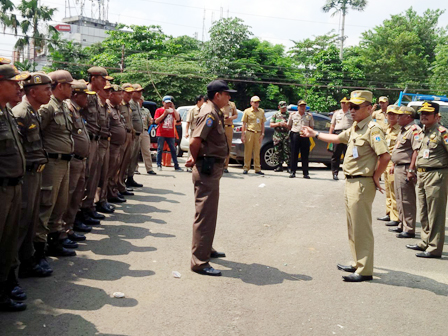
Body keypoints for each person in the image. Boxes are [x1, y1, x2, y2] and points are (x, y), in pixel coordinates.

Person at [302, 90, 390, 282]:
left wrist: (376, 176)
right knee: (352, 226)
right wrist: (314, 133)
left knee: (361, 228)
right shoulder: (357, 127)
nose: (351, 110)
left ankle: (365, 269)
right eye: (350, 106)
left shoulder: (373, 129)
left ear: (369, 108)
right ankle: (357, 262)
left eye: (356, 107)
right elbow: (337, 138)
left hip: (362, 182)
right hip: (351, 181)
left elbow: (385, 156)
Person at [185, 79, 236, 276]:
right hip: (206, 168)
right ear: (217, 95)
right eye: (226, 94)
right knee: (205, 215)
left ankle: (206, 248)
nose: (229, 97)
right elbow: (195, 140)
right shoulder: (208, 112)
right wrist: (194, 157)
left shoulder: (214, 110)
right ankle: (199, 262)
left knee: (209, 212)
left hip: (212, 168)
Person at [12, 73, 52, 281]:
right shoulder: (21, 113)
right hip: (25, 175)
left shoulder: (33, 112)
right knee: (21, 224)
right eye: (46, 89)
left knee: (30, 222)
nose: (50, 93)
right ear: (33, 92)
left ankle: (26, 264)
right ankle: (13, 272)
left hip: (35, 174)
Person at [37, 70, 76, 261]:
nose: (71, 89)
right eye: (69, 85)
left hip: (64, 162)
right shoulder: (48, 108)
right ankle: (37, 252)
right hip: (51, 162)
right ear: (60, 85)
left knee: (59, 205)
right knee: (46, 206)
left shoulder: (62, 106)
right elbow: (36, 135)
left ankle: (54, 242)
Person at [0, 64, 29, 312]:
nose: (19, 87)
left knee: (8, 245)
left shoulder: (6, 112)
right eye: (14, 82)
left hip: (13, 186)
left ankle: (4, 290)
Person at [406, 102, 448, 258]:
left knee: (435, 213)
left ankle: (434, 248)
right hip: (422, 175)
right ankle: (425, 241)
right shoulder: (422, 132)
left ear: (437, 116)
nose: (423, 115)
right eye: (421, 113)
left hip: (437, 175)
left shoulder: (442, 133)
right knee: (423, 211)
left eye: (427, 113)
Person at [62, 80, 94, 248]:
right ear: (76, 95)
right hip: (72, 160)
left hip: (80, 159)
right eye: (84, 96)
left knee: (76, 196)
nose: (87, 100)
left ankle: (69, 227)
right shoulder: (68, 108)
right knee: (68, 197)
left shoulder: (77, 110)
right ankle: (63, 230)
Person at [79, 66, 112, 218]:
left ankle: (89, 207)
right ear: (93, 78)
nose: (105, 82)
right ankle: (81, 211)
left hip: (97, 141)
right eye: (102, 79)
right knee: (86, 177)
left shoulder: (96, 96)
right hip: (88, 140)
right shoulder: (84, 93)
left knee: (94, 176)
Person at [389, 106, 421, 239]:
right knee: (399, 197)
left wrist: (411, 170)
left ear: (408, 117)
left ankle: (409, 228)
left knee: (407, 199)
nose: (397, 118)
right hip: (399, 167)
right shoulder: (403, 130)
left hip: (406, 168)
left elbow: (416, 150)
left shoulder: (414, 130)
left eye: (400, 116)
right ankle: (402, 224)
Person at [106, 85, 127, 203]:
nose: (121, 96)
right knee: (108, 172)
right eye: (119, 94)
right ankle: (105, 196)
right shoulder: (108, 108)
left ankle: (112, 193)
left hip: (118, 145)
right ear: (111, 95)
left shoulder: (116, 108)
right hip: (111, 145)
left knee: (115, 171)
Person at [382, 105, 401, 228]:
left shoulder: (400, 130)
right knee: (388, 189)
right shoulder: (388, 129)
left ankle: (396, 216)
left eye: (394, 114)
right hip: (386, 161)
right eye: (389, 114)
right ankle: (389, 212)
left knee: (394, 190)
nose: (391, 116)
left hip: (393, 162)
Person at [116, 84, 136, 197]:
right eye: (127, 93)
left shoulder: (128, 106)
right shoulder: (119, 106)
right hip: (123, 136)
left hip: (129, 135)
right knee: (119, 164)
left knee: (125, 163)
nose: (130, 95)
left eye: (131, 93)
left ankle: (121, 185)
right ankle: (116, 187)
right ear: (122, 93)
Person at [154, 95, 183, 171]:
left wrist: (173, 109)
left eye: (169, 103)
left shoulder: (172, 111)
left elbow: (177, 118)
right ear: (163, 103)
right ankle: (159, 165)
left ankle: (176, 165)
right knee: (160, 149)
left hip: (170, 133)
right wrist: (164, 114)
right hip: (161, 133)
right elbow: (156, 121)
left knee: (173, 149)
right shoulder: (159, 110)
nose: (168, 104)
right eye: (166, 103)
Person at [288, 100, 314, 178]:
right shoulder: (293, 115)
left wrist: (306, 132)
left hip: (305, 136)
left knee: (305, 155)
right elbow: (289, 125)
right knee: (294, 154)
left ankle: (305, 173)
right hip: (295, 134)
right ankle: (293, 171)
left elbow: (311, 126)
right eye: (301, 106)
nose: (302, 108)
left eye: (304, 106)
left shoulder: (309, 116)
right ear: (298, 107)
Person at [241, 96, 266, 175]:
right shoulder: (247, 111)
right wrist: (243, 135)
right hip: (249, 132)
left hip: (258, 133)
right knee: (248, 151)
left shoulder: (261, 111)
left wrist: (262, 134)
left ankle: (257, 168)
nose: (256, 104)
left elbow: (262, 123)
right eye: (255, 102)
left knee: (257, 151)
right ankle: (246, 168)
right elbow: (244, 124)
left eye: (258, 102)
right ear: (251, 103)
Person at [329, 97, 353, 180]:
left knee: (349, 154)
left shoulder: (352, 112)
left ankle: (348, 173)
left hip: (348, 134)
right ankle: (335, 173)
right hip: (338, 134)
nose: (343, 104)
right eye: (342, 103)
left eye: (345, 103)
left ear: (348, 104)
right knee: (336, 154)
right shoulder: (337, 113)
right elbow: (332, 125)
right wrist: (330, 136)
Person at [126, 83, 144, 187]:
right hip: (132, 134)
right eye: (138, 91)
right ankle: (125, 179)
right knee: (128, 158)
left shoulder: (137, 104)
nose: (140, 93)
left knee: (134, 158)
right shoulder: (130, 104)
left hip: (138, 134)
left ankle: (130, 177)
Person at [185, 95, 205, 172]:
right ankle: (189, 165)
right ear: (198, 101)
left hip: (201, 132)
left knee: (200, 149)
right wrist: (186, 132)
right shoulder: (192, 110)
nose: (204, 102)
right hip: (194, 131)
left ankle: (197, 165)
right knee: (192, 148)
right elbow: (188, 122)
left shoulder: (204, 110)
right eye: (203, 100)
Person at [270, 101, 290, 172]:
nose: (284, 109)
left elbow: (292, 125)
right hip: (277, 136)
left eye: (285, 108)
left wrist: (286, 125)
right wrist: (278, 124)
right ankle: (279, 166)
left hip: (286, 136)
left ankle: (289, 167)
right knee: (277, 151)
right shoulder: (276, 114)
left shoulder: (289, 115)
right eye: (282, 108)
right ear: (279, 107)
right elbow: (271, 125)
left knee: (287, 151)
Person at [139, 96, 157, 175]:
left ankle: (149, 168)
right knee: (134, 151)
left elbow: (150, 121)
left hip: (144, 131)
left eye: (140, 99)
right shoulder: (132, 108)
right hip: (135, 131)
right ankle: (134, 169)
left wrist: (150, 121)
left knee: (146, 150)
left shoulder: (146, 110)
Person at [221, 99, 238, 173]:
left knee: (228, 147)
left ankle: (225, 166)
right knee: (219, 146)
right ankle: (218, 165)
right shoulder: (220, 103)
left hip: (229, 126)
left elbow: (236, 115)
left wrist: (231, 118)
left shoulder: (232, 105)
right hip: (220, 126)